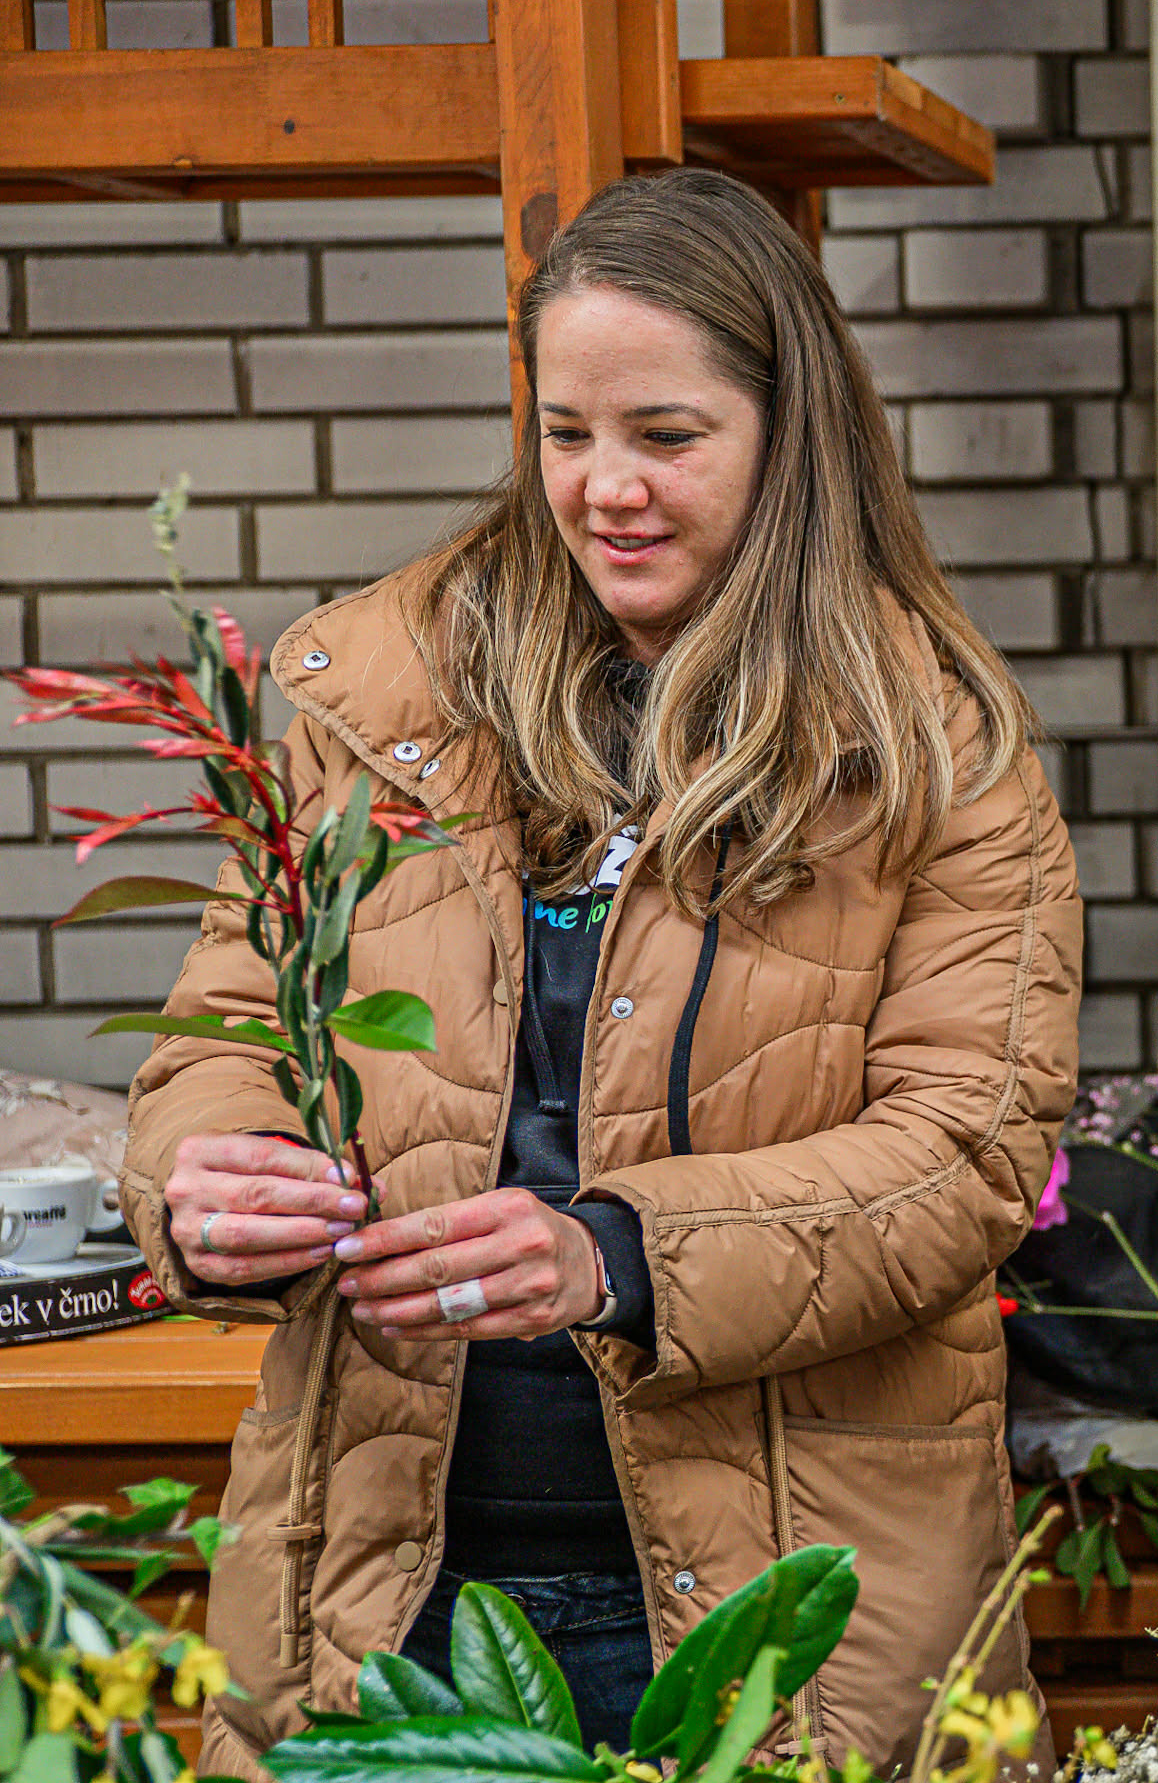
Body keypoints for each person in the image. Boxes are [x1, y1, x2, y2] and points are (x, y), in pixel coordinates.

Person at [118, 167, 1082, 1773]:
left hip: (775, 1597)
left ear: (790, 436)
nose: (606, 487)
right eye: (568, 434)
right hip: (381, 1585)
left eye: (667, 437)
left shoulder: (932, 749)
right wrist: (205, 1177)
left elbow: (967, 1157)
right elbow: (225, 1026)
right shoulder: (378, 704)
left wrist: (616, 1254)